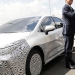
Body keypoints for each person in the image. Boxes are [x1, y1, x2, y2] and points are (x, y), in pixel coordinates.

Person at [62, 0, 75, 69]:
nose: (72, 0)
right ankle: (68, 64)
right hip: (67, 31)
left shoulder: (71, 8)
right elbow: (71, 15)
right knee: (67, 48)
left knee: (70, 47)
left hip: (71, 30)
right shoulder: (65, 7)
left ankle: (70, 60)